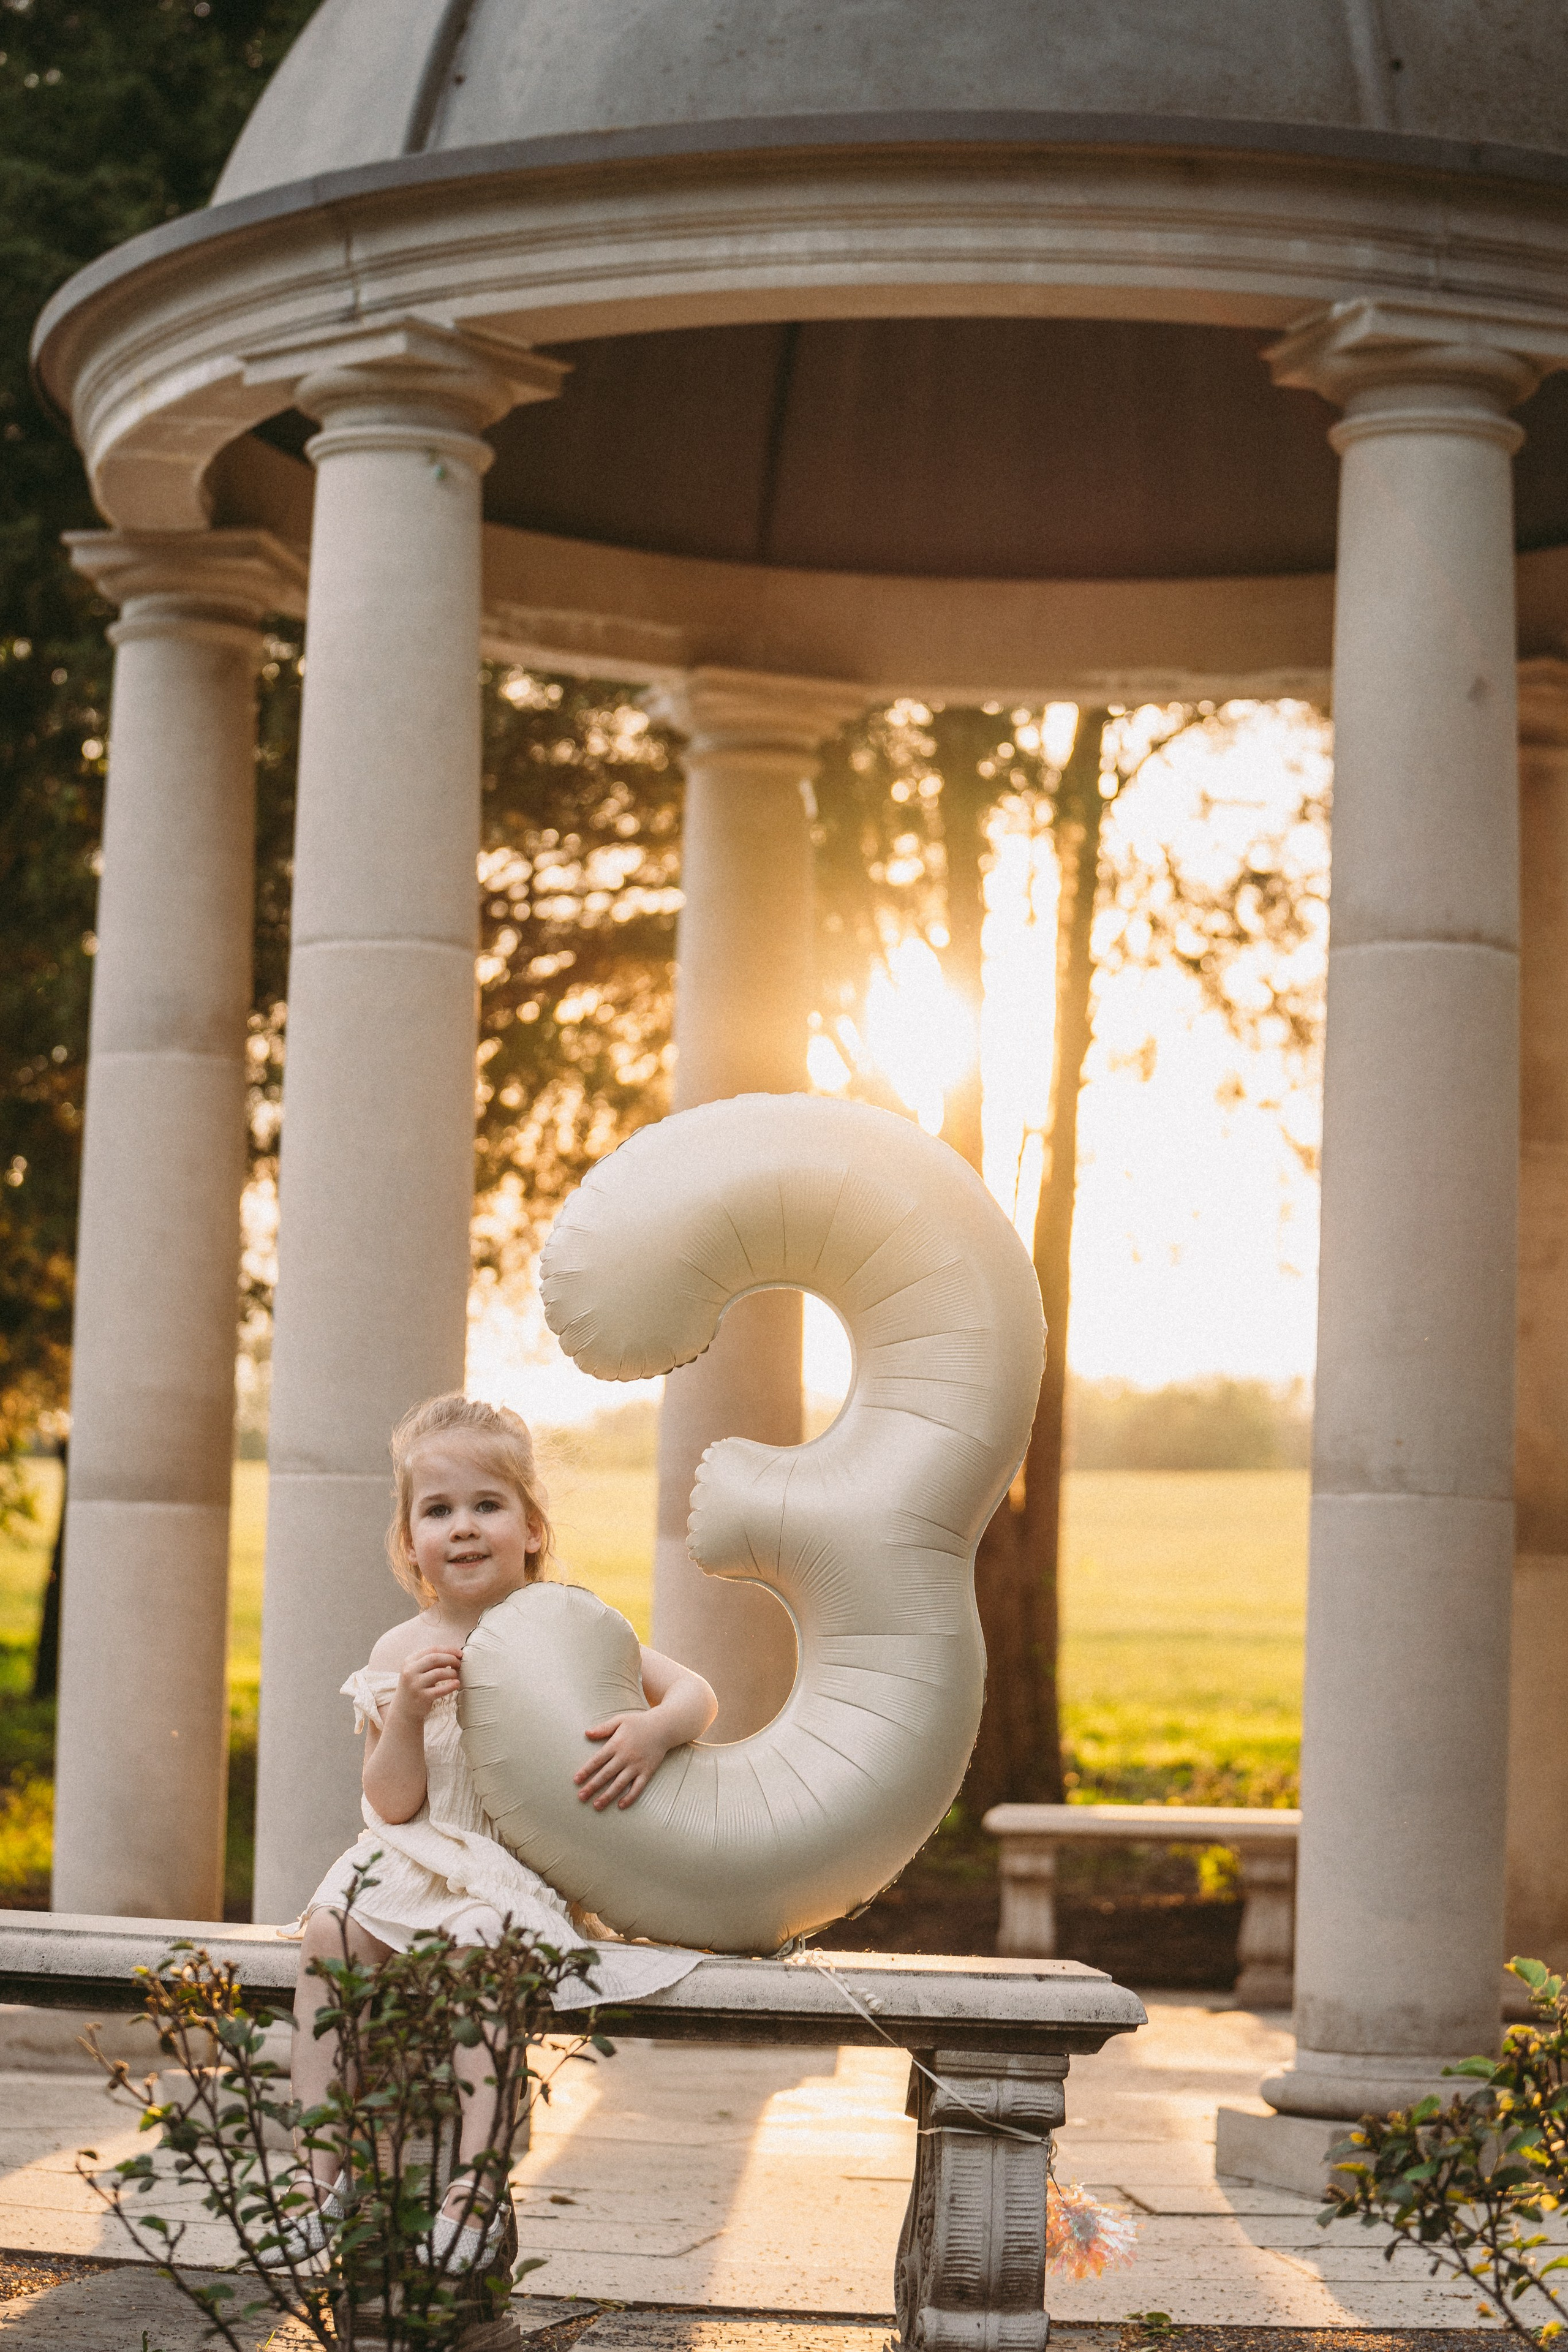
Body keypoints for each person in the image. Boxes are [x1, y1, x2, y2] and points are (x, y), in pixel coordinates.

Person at [288, 1392, 717, 2267]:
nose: (465, 1527)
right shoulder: (397, 1652)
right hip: (411, 1860)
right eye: (439, 1511)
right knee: (329, 1933)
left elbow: (696, 1695)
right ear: (410, 1543)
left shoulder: (566, 1628)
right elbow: (393, 1803)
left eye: (488, 1505)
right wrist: (405, 1713)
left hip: (504, 1878)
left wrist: (652, 1728)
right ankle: (317, 2175)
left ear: (531, 1526)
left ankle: (477, 2183)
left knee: (483, 1946)